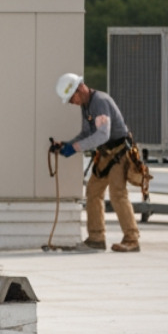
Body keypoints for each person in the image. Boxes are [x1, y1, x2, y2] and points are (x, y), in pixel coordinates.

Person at [52, 72, 141, 253]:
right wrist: (67, 145)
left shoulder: (99, 101)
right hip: (106, 154)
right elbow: (87, 134)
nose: (72, 103)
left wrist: (74, 148)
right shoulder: (86, 106)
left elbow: (102, 135)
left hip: (119, 153)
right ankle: (96, 238)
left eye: (71, 98)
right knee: (93, 191)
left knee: (117, 194)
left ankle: (132, 239)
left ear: (79, 89)